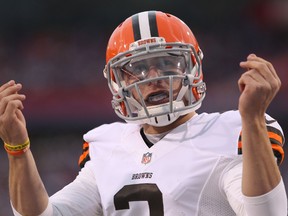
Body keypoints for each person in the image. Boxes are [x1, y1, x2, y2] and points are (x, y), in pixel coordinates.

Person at [0, 10, 287, 216]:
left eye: (166, 63)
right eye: (137, 69)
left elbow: (266, 213)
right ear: (117, 82)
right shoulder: (106, 145)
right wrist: (17, 148)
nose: (153, 77)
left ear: (193, 67)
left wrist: (252, 119)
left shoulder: (232, 130)